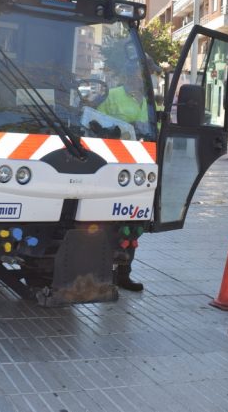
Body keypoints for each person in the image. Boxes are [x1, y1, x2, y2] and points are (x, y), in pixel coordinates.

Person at [97, 62, 154, 292]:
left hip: (140, 169)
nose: (140, 79)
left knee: (133, 226)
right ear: (129, 76)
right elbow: (95, 122)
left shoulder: (149, 101)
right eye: (138, 75)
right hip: (115, 170)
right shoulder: (113, 96)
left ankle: (123, 274)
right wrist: (120, 129)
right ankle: (106, 273)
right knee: (114, 225)